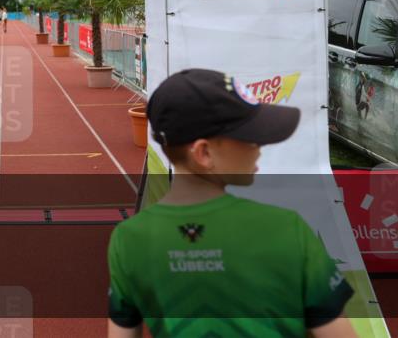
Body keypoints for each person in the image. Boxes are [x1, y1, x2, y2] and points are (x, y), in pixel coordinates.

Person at [107, 68, 356, 338]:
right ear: (203, 153)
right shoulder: (287, 229)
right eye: (249, 135)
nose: (259, 146)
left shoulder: (128, 239)